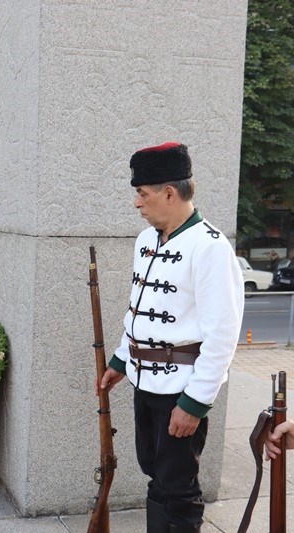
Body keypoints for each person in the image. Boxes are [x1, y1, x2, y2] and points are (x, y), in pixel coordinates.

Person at [98, 142, 244, 532]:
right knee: (155, 473)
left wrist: (194, 403)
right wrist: (121, 361)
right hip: (144, 381)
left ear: (169, 193)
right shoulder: (146, 241)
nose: (137, 203)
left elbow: (222, 336)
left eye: (142, 194)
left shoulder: (210, 248)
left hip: (181, 389)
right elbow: (137, 310)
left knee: (178, 486)